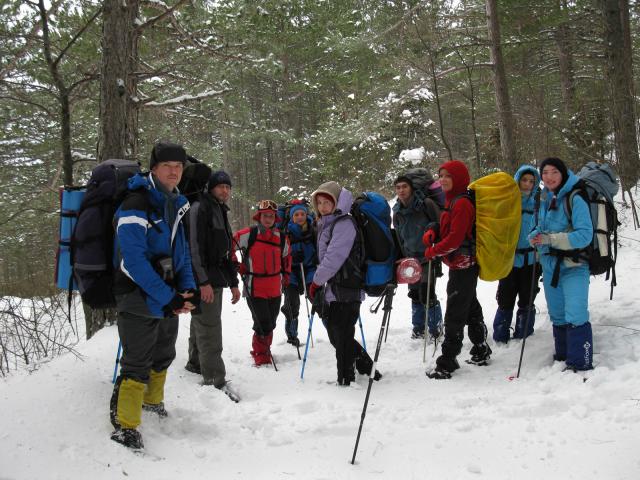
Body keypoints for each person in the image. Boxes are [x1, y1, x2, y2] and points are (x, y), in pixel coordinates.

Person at [110, 141, 198, 449]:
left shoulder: (175, 202)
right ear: (154, 168)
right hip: (136, 297)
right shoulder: (136, 204)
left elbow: (182, 254)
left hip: (165, 297)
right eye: (167, 166)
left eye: (179, 167)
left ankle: (152, 403)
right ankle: (126, 426)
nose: (174, 172)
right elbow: (131, 261)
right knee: (136, 362)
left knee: (163, 355)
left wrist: (188, 289)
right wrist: (169, 297)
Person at [423, 160, 491, 379]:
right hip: (461, 263)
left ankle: (447, 361)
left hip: (463, 263)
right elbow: (448, 226)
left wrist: (434, 251)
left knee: (454, 312)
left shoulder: (461, 203)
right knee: (469, 304)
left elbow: (456, 238)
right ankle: (481, 348)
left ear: (459, 179)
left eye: (448, 176)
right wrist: (434, 229)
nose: (442, 179)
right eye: (440, 175)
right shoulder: (452, 200)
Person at [308, 181, 381, 386]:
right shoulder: (328, 223)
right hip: (337, 287)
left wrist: (316, 281)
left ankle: (346, 379)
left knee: (341, 336)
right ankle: (367, 368)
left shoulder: (344, 224)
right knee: (338, 336)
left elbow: (333, 258)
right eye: (319, 202)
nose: (322, 206)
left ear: (337, 201)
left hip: (347, 287)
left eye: (326, 202)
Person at [529, 157, 593, 371]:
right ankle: (563, 357)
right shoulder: (545, 197)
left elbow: (585, 235)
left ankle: (580, 362)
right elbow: (541, 227)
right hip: (549, 266)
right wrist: (535, 236)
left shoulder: (575, 197)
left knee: (575, 313)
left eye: (554, 172)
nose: (549, 177)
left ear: (563, 173)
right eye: (545, 172)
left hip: (574, 265)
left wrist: (550, 239)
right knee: (557, 314)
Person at [185, 170, 241, 402]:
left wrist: (234, 282)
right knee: (210, 328)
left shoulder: (219, 210)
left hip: (214, 277)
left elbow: (226, 252)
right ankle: (214, 379)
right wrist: (203, 281)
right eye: (221, 187)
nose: (225, 191)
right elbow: (194, 248)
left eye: (228, 187)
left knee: (201, 321)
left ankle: (195, 362)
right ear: (211, 187)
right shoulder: (201, 208)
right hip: (204, 279)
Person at [233, 200, 291, 366]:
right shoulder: (248, 234)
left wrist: (286, 274)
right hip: (254, 286)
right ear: (259, 216)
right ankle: (260, 353)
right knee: (262, 322)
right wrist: (235, 264)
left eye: (271, 216)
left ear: (275, 218)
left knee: (271, 321)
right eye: (265, 215)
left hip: (275, 287)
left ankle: (265, 349)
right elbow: (229, 245)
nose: (268, 219)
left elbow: (287, 257)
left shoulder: (281, 238)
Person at [492, 165, 542, 343]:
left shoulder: (539, 201)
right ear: (518, 180)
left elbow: (544, 224)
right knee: (506, 297)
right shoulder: (508, 200)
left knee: (527, 297)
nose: (527, 184)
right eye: (524, 180)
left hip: (532, 258)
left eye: (531, 181)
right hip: (510, 259)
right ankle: (500, 335)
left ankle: (524, 333)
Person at [392, 170, 443, 340]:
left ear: (411, 188)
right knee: (414, 293)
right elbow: (399, 235)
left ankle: (436, 328)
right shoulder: (397, 210)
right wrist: (402, 256)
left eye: (404, 186)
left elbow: (439, 223)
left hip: (428, 256)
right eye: (398, 187)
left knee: (427, 293)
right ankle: (418, 328)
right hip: (410, 259)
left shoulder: (425, 203)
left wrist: (434, 239)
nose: (401, 190)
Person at [280, 200, 317, 347]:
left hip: (310, 269)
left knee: (317, 298)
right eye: (296, 214)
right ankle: (291, 336)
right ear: (292, 217)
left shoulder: (313, 228)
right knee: (292, 304)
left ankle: (333, 329)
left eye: (302, 214)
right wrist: (291, 256)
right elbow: (281, 253)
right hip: (292, 271)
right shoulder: (286, 232)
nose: (300, 217)